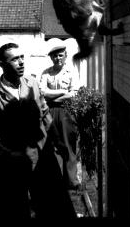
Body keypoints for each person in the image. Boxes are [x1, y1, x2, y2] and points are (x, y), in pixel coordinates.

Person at [0, 42, 76, 220]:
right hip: (11, 165)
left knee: (54, 209)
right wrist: (11, 157)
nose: (21, 62)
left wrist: (57, 140)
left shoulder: (33, 83)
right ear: (1, 63)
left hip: (43, 159)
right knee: (11, 212)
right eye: (15, 59)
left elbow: (45, 115)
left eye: (22, 57)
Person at [40, 41, 81, 190]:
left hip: (66, 111)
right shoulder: (46, 73)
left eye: (60, 55)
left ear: (65, 56)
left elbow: (74, 94)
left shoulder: (72, 72)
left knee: (68, 144)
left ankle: (71, 181)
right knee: (51, 144)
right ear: (51, 58)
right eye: (54, 56)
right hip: (49, 112)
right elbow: (42, 92)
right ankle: (54, 179)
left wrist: (55, 97)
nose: (57, 58)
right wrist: (62, 92)